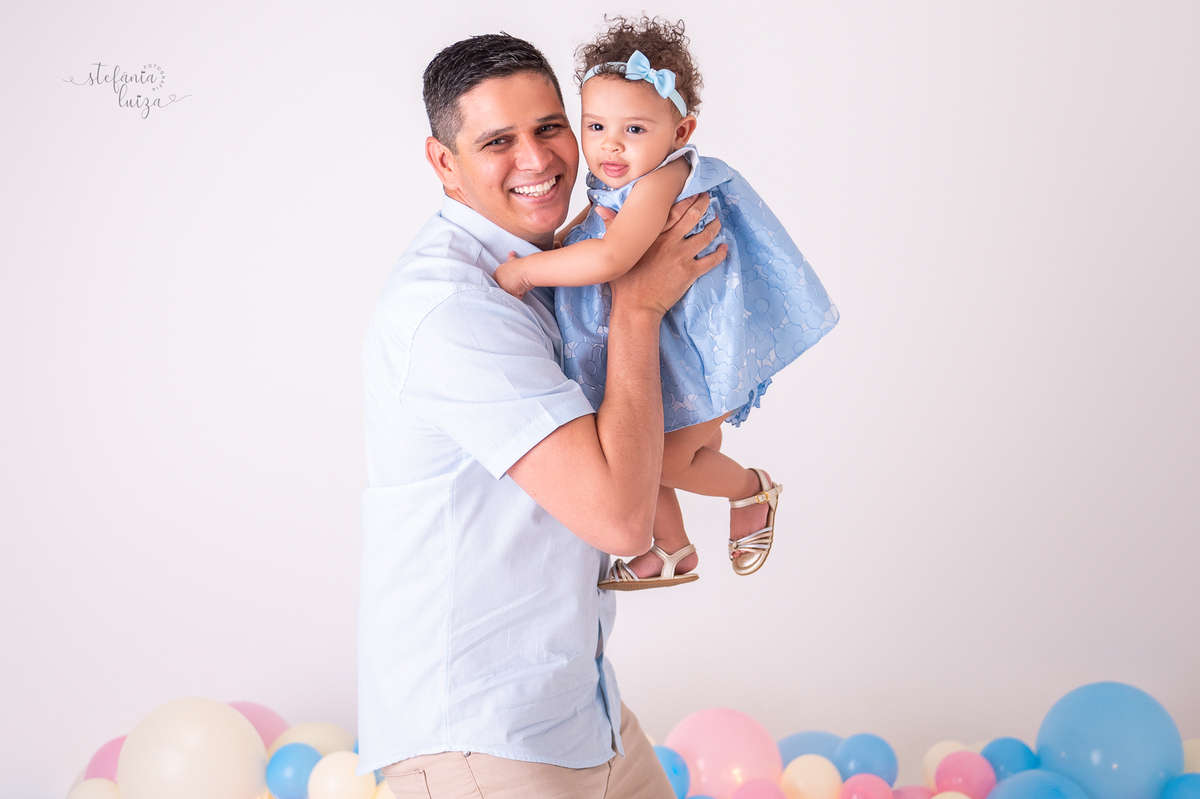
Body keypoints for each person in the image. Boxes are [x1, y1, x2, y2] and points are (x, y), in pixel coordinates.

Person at [358, 32, 725, 799]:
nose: (537, 158)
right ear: (444, 163)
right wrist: (637, 305)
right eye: (498, 141)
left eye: (550, 127)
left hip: (582, 714)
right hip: (482, 742)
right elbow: (619, 520)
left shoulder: (560, 261)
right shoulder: (454, 306)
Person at [492, 16, 839, 590]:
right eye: (596, 125)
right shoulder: (621, 180)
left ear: (681, 132)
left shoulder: (665, 177)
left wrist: (526, 271)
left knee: (667, 458)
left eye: (634, 128)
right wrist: (556, 245)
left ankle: (752, 490)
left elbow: (613, 256)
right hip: (662, 346)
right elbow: (590, 230)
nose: (610, 144)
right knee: (633, 445)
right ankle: (668, 548)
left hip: (701, 345)